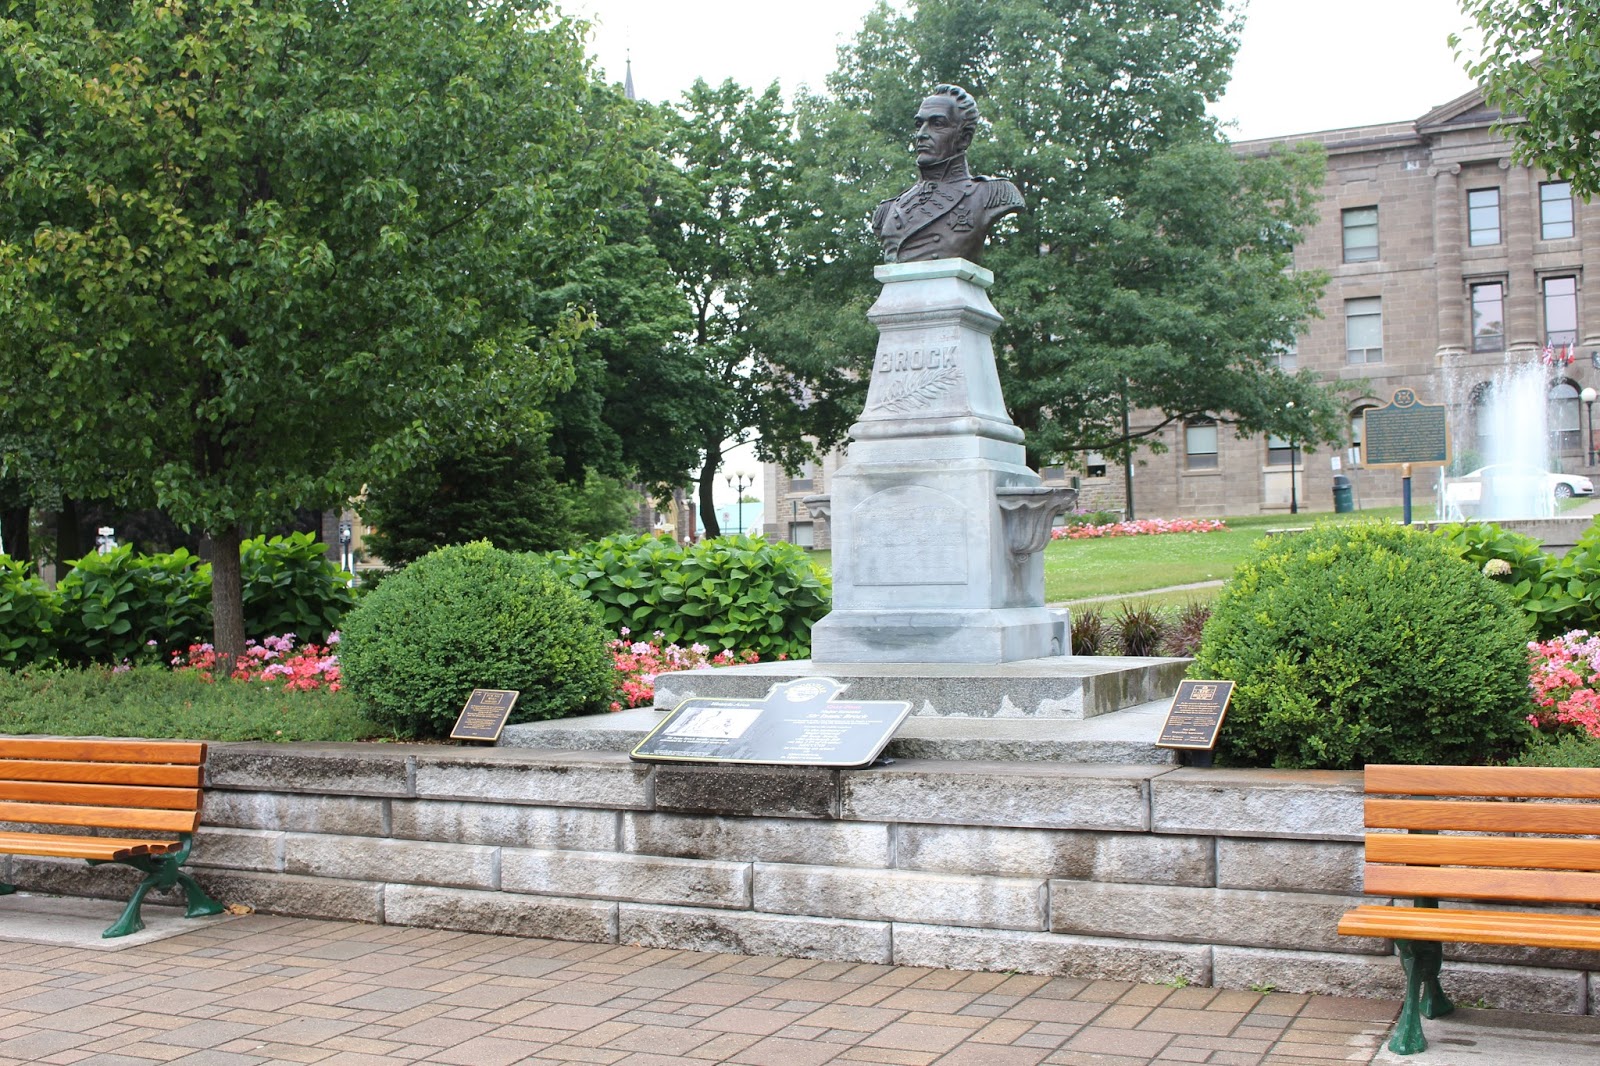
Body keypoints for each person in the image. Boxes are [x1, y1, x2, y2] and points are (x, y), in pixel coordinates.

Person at [871, 84, 1024, 264]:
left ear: (964, 137)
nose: (921, 134)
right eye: (919, 124)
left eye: (937, 124)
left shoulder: (991, 195)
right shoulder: (888, 210)